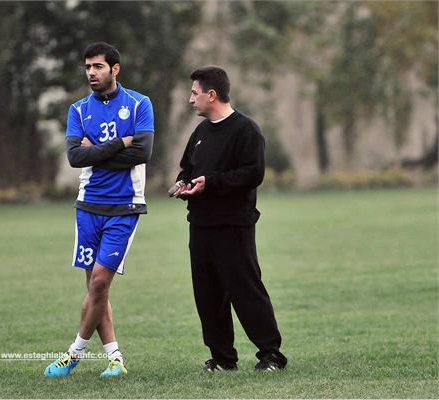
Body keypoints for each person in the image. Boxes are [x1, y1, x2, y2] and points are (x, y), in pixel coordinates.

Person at [44, 42, 154, 379]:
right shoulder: (78, 110)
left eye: (98, 67)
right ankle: (116, 358)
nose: (91, 73)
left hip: (124, 206)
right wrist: (121, 143)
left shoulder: (139, 104)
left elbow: (143, 152)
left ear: (115, 69)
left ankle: (74, 352)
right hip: (88, 207)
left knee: (99, 286)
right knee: (95, 287)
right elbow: (76, 158)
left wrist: (98, 151)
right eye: (88, 67)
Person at [171, 66, 287, 372]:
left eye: (194, 93)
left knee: (245, 290)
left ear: (212, 95)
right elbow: (188, 167)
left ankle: (271, 355)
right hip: (200, 226)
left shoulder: (246, 130)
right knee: (207, 295)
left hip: (234, 226)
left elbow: (253, 173)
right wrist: (184, 183)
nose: (190, 99)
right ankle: (223, 358)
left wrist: (212, 182)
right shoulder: (200, 132)